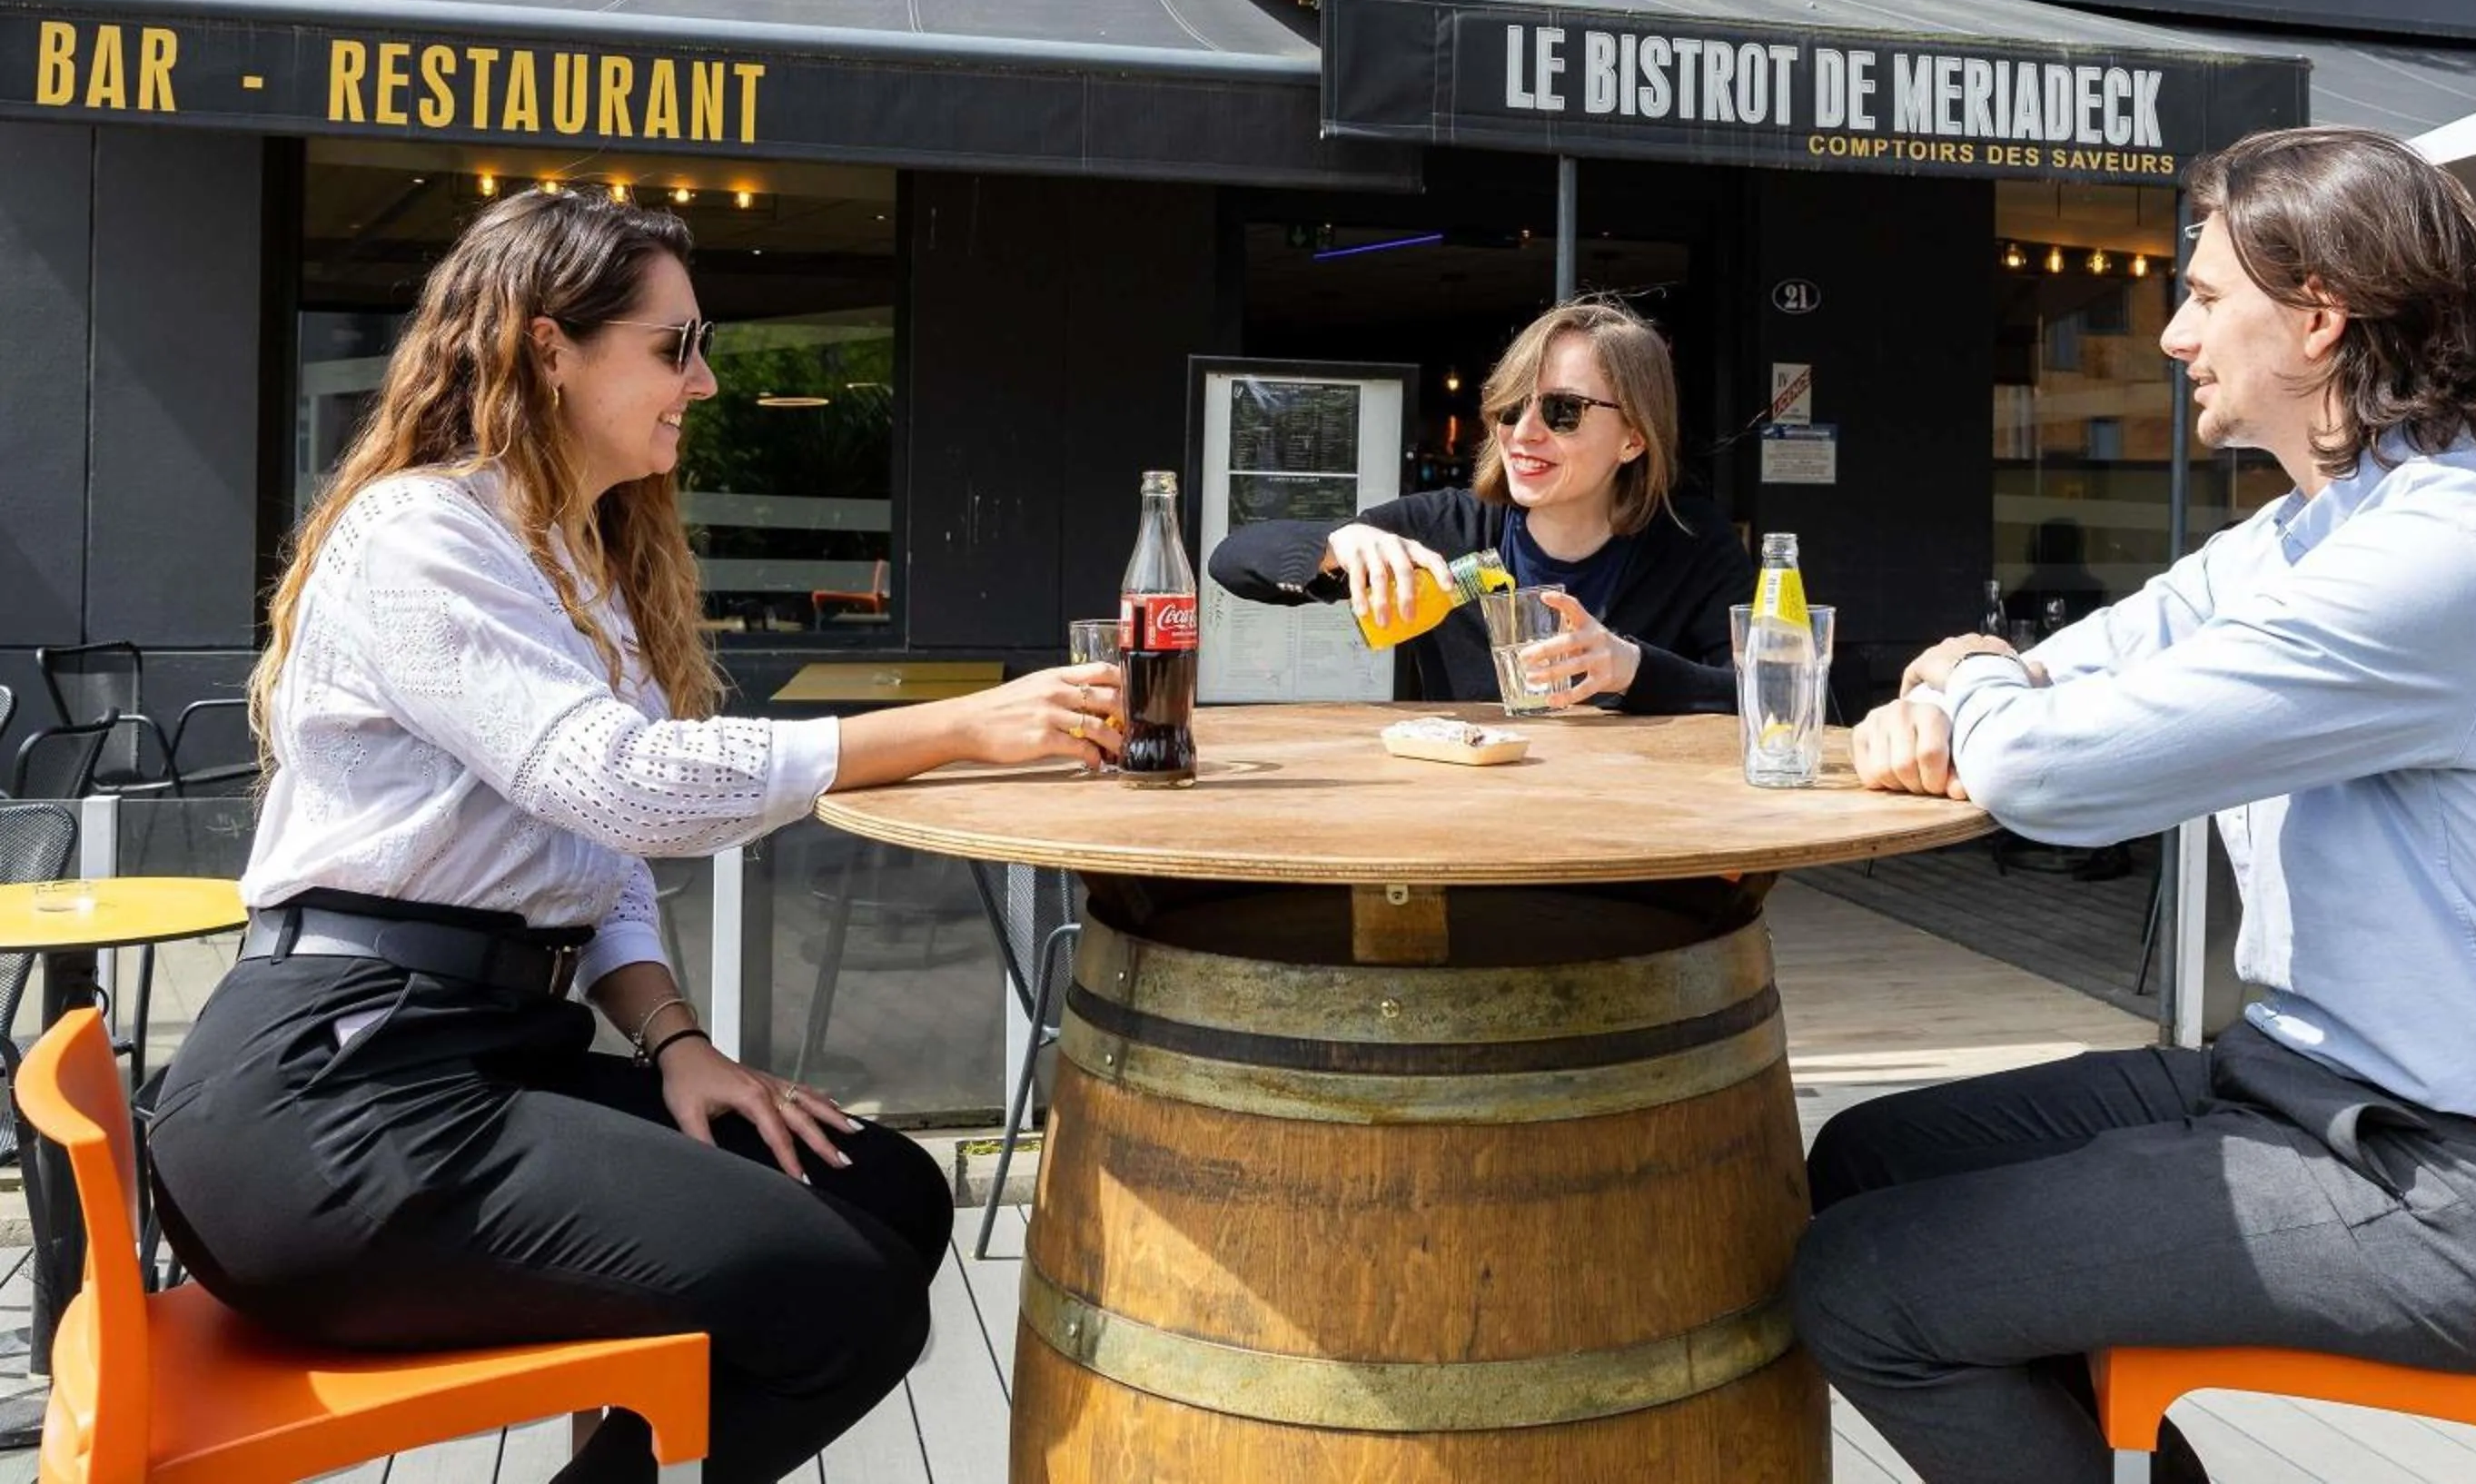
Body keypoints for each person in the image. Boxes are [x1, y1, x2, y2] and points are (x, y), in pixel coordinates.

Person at [146, 187, 1124, 1484]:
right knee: (839, 1293)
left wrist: (679, 1041)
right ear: (548, 346)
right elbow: (621, 785)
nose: (706, 381)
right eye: (675, 346)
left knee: (888, 1189)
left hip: (488, 1062)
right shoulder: (423, 534)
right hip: (336, 1103)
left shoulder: (575, 558)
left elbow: (594, 862)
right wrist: (955, 727)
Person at [1792, 129, 2476, 1484]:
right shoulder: (2315, 531)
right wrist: (1983, 680)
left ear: (2318, 317)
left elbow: (2052, 774)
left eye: (2203, 295)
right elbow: (2085, 659)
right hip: (2308, 1092)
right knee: (1867, 1155)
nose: (2175, 332)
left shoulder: (2437, 563)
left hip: (2459, 1192)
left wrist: (1961, 681)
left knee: (1861, 1284)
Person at [1210, 297, 1750, 713]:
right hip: (1475, 831)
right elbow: (1233, 561)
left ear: (1633, 438)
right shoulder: (1449, 530)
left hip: (1632, 840)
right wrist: (1335, 545)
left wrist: (1633, 667)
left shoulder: (1691, 542)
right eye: (1512, 409)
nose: (1525, 433)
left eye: (1563, 411)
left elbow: (1773, 695)